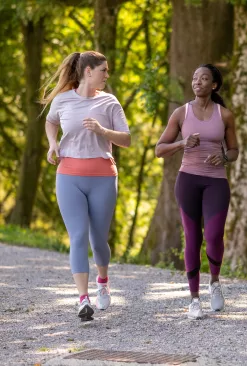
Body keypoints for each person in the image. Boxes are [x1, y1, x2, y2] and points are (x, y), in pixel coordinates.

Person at [43, 51, 131, 321]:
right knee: (78, 236)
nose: (107, 75)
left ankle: (102, 281)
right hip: (68, 175)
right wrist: (53, 143)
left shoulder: (109, 102)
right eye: (103, 70)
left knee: (98, 239)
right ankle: (83, 299)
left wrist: (103, 131)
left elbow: (126, 139)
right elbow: (51, 121)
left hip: (103, 176)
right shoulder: (63, 99)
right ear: (88, 72)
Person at [155, 64, 239, 320]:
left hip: (216, 182)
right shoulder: (181, 113)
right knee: (192, 238)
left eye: (203, 78)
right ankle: (194, 299)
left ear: (214, 85)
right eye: (194, 78)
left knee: (213, 236)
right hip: (188, 180)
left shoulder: (225, 115)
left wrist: (224, 157)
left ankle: (214, 282)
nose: (197, 82)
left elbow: (235, 151)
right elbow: (159, 149)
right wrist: (182, 143)